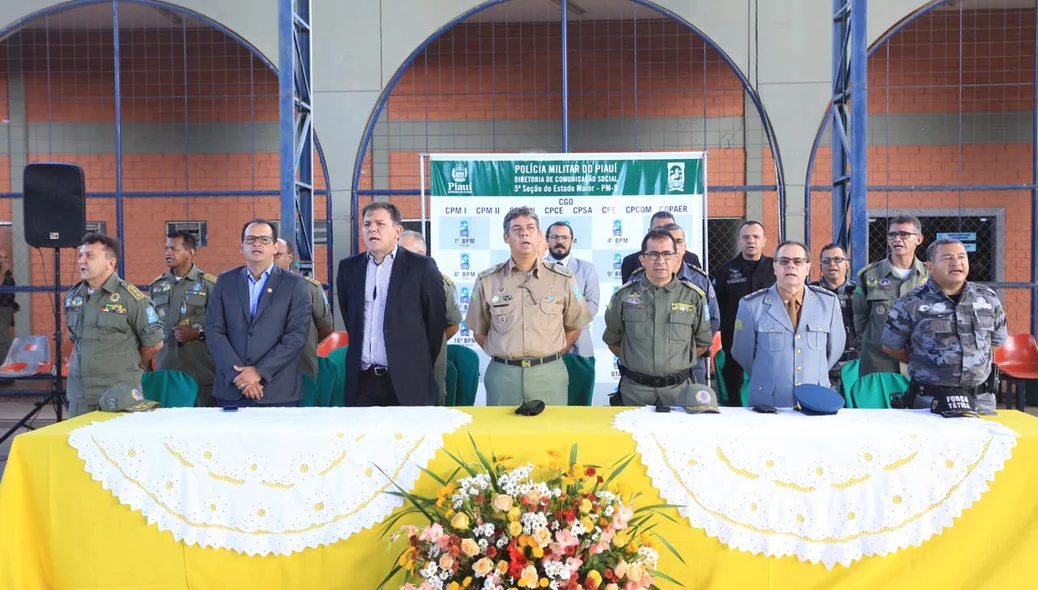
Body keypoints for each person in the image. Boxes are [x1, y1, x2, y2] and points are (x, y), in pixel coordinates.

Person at [466, 207, 592, 406]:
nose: (524, 233)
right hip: (503, 377)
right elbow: (479, 332)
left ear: (540, 236)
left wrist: (554, 354)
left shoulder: (563, 278)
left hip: (549, 374)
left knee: (551, 436)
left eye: (530, 228)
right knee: (501, 436)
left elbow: (575, 326)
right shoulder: (487, 281)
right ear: (506, 237)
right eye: (516, 229)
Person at [336, 203, 446, 406]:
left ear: (397, 231)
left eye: (380, 224)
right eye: (367, 224)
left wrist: (414, 361)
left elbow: (435, 323)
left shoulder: (421, 267)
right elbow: (350, 317)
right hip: (363, 381)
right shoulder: (348, 268)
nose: (372, 229)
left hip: (409, 380)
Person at [882, 238, 1006, 413]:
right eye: (947, 258)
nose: (957, 263)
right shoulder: (911, 302)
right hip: (930, 400)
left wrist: (971, 362)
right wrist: (926, 362)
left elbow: (996, 342)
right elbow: (891, 347)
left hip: (980, 400)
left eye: (962, 257)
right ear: (930, 266)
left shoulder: (987, 299)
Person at [205, 219, 312, 407]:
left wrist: (258, 372)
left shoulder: (294, 284)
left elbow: (296, 336)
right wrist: (239, 376)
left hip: (277, 391)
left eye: (264, 239)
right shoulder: (225, 281)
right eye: (251, 239)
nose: (257, 244)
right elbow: (214, 331)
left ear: (274, 246)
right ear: (241, 246)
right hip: (232, 388)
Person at [603, 228, 712, 405]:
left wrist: (675, 363)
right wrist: (639, 361)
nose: (660, 261)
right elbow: (613, 341)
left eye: (667, 254)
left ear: (676, 257)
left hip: (678, 392)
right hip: (635, 392)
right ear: (642, 260)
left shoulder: (694, 297)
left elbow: (702, 343)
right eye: (653, 254)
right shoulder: (623, 296)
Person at [731, 240, 845, 408]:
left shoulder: (828, 303)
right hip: (769, 402)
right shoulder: (751, 305)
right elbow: (743, 354)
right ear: (775, 267)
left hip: (815, 398)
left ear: (807, 268)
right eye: (784, 261)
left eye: (798, 262)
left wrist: (813, 373)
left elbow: (834, 349)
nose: (791, 266)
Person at [64, 234, 164, 417]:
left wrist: (134, 363)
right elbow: (76, 341)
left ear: (110, 263)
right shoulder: (73, 298)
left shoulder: (131, 298)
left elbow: (155, 343)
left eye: (90, 256)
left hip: (119, 395)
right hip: (81, 396)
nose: (82, 261)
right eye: (80, 255)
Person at [853, 215, 929, 376]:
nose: (897, 239)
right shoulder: (869, 275)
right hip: (878, 363)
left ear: (919, 239)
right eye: (892, 235)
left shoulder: (931, 275)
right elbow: (860, 318)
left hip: (920, 363)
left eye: (904, 234)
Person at [149, 231, 217, 406]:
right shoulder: (158, 286)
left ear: (191, 253)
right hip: (166, 370)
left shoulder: (209, 285)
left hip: (199, 371)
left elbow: (223, 326)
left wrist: (198, 332)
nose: (167, 253)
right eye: (166, 248)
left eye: (173, 249)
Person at [712, 220, 776, 405]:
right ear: (739, 241)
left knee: (769, 396)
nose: (751, 241)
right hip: (735, 345)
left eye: (756, 237)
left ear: (764, 241)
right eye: (746, 237)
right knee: (735, 397)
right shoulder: (727, 271)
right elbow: (718, 309)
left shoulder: (775, 269)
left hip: (769, 344)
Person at [398, 230, 461, 404]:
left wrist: (428, 345)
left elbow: (453, 325)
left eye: (403, 251)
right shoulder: (386, 282)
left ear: (421, 255)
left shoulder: (441, 283)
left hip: (430, 365)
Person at [274, 238, 334, 384]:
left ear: (289, 258)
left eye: (276, 255)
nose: (271, 259)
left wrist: (303, 343)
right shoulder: (255, 289)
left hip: (302, 370)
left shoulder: (309, 288)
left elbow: (326, 328)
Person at [545, 221, 600, 359]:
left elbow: (592, 305)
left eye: (564, 238)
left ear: (572, 241)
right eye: (555, 237)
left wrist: (567, 325)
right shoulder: (536, 269)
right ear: (546, 240)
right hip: (545, 347)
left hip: (580, 348)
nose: (560, 241)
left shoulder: (587, 269)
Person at [808, 243, 859, 391]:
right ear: (820, 266)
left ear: (847, 264)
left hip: (855, 363)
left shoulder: (860, 292)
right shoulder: (810, 293)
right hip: (822, 363)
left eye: (837, 259)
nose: (832, 264)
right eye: (826, 261)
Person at [620, 211, 701, 283]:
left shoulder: (691, 259)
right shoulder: (631, 261)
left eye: (670, 227)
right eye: (659, 229)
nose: (664, 233)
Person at [0, 250, 19, 382]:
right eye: (0, 257)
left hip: (6, 311)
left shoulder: (8, 275)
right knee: (4, 342)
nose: (3, 260)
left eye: (5, 257)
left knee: (6, 341)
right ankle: (4, 376)